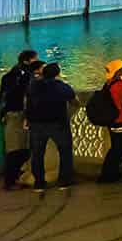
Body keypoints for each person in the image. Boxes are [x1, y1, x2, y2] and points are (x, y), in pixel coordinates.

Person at [24, 60, 77, 189]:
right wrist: (68, 114)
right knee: (65, 151)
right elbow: (74, 100)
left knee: (37, 154)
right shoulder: (61, 86)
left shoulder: (34, 86)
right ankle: (64, 181)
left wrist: (27, 119)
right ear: (57, 74)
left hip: (36, 125)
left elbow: (27, 103)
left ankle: (39, 183)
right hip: (58, 124)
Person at [1, 48, 36, 190]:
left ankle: (14, 177)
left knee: (14, 149)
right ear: (27, 61)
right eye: (34, 59)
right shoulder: (26, 76)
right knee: (19, 149)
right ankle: (11, 180)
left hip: (9, 114)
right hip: (19, 115)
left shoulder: (8, 76)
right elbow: (26, 96)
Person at [96, 59, 122, 183]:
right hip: (121, 121)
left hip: (112, 121)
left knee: (116, 148)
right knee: (118, 149)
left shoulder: (108, 84)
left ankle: (110, 173)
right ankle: (108, 175)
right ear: (119, 71)